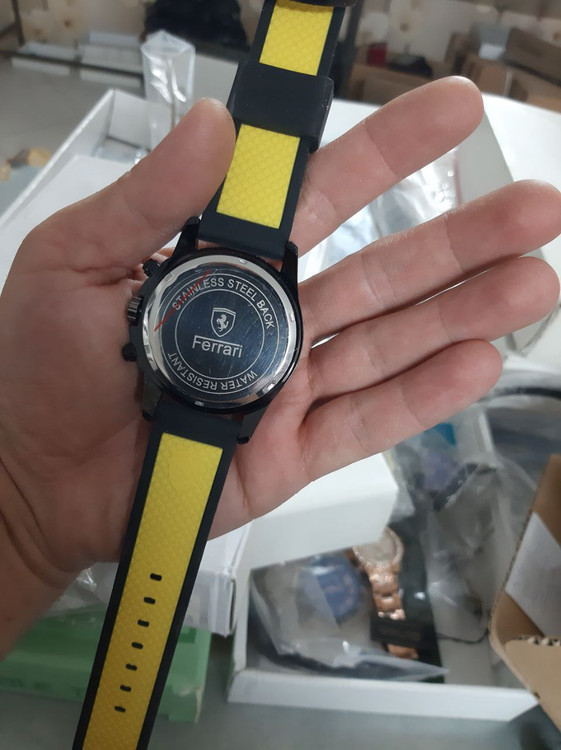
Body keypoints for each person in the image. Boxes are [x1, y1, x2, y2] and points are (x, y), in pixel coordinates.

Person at [1, 78, 560, 660]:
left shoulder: (209, 323)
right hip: (193, 379)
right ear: (143, 308)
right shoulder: (152, 338)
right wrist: (20, 515)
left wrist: (23, 529)